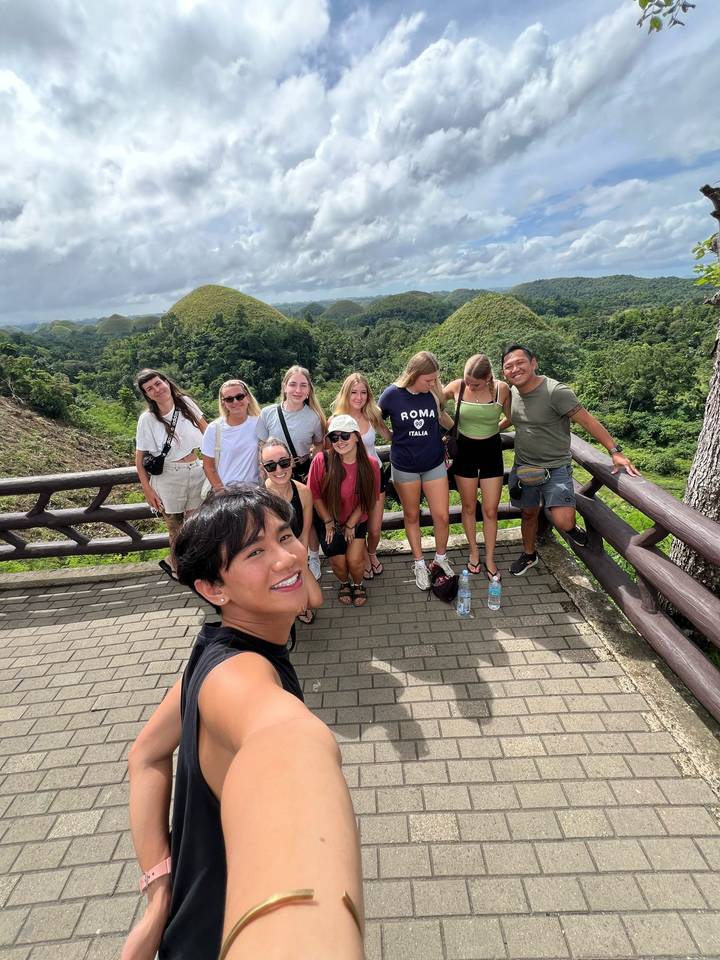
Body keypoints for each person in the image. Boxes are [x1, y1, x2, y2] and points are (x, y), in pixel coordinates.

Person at [119, 486, 363, 960]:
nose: (286, 558)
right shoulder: (238, 678)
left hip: (186, 929)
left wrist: (159, 893)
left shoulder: (211, 649)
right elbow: (286, 741)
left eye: (285, 536)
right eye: (254, 552)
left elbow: (145, 755)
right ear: (214, 589)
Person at [501, 344, 640, 576]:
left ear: (534, 363)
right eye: (508, 366)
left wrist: (615, 450)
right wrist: (487, 432)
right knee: (528, 513)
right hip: (525, 466)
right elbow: (512, 418)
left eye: (520, 363)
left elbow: (587, 421)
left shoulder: (556, 391)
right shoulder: (511, 392)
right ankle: (529, 554)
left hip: (555, 467)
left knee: (564, 521)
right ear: (504, 372)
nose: (515, 369)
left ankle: (572, 529)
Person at [378, 351, 454, 590]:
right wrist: (390, 436)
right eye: (428, 380)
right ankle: (419, 563)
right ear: (413, 375)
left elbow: (441, 416)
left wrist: (457, 432)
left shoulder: (433, 393)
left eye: (435, 379)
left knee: (442, 515)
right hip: (405, 466)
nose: (433, 384)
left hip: (433, 463)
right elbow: (376, 418)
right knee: (412, 515)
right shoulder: (392, 394)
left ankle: (440, 559)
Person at [444, 354, 511, 579]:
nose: (471, 387)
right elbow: (434, 403)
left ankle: (490, 558)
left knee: (491, 510)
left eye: (476, 384)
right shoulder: (457, 386)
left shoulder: (502, 389)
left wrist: (493, 428)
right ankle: (474, 552)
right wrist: (451, 427)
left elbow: (511, 417)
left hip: (491, 450)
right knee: (469, 507)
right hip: (465, 450)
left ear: (489, 377)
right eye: (468, 382)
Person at [134, 369, 207, 572]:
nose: (156, 390)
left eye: (158, 383)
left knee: (195, 524)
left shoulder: (185, 403)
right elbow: (139, 458)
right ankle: (177, 567)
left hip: (196, 470)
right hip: (168, 475)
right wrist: (147, 489)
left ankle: (194, 566)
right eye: (150, 389)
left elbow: (207, 431)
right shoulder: (148, 419)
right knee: (175, 527)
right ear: (147, 395)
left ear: (166, 382)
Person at [256, 365, 326, 579]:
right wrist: (264, 473)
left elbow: (319, 444)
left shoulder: (313, 417)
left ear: (309, 389)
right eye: (293, 384)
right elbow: (261, 446)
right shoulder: (268, 413)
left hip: (303, 470)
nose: (298, 390)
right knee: (276, 518)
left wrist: (313, 468)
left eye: (303, 385)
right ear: (284, 387)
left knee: (308, 519)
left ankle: (312, 557)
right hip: (276, 471)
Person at [307, 414, 380, 608]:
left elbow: (368, 498)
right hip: (328, 519)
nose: (340, 441)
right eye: (334, 437)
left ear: (356, 436)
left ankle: (357, 584)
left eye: (345, 435)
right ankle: (344, 583)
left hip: (356, 518)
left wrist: (351, 524)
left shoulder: (370, 465)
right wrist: (328, 521)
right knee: (338, 562)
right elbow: (314, 494)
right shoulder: (322, 461)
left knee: (355, 560)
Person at [332, 372, 392, 580]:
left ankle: (371, 553)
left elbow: (390, 436)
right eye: (354, 392)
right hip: (349, 480)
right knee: (356, 525)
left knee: (374, 529)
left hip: (374, 476)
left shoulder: (372, 415)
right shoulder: (336, 420)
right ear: (345, 394)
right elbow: (329, 452)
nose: (359, 397)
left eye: (363, 392)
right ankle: (364, 557)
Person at [260, 437, 316, 624]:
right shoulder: (260, 500)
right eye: (270, 466)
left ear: (291, 461)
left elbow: (305, 532)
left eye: (283, 463)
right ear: (263, 468)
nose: (279, 470)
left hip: (295, 548)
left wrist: (300, 560)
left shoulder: (304, 492)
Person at [201, 379, 261, 492]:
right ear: (223, 403)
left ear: (248, 398)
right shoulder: (214, 429)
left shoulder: (259, 424)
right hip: (227, 493)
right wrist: (221, 492)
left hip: (255, 492)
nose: (235, 402)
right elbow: (209, 467)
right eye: (229, 399)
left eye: (239, 396)